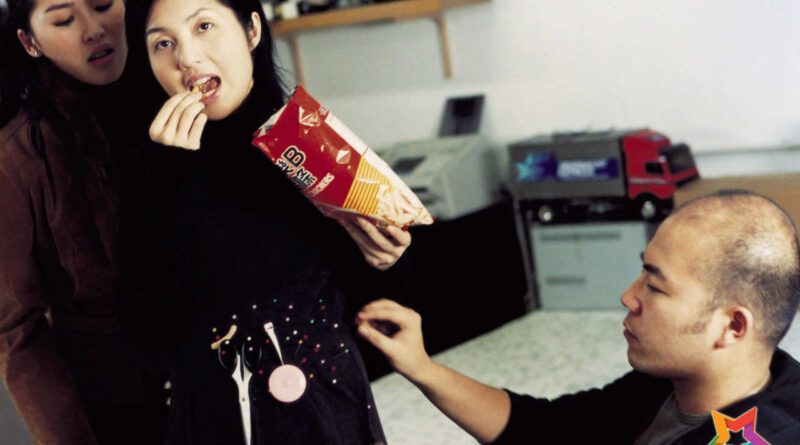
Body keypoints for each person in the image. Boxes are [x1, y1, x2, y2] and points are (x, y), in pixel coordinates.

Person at [124, 0, 411, 443]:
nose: (186, 57)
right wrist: (170, 180)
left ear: (252, 31)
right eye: (163, 43)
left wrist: (384, 259)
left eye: (204, 26)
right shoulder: (148, 169)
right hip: (216, 421)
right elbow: (153, 331)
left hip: (328, 411)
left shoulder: (309, 146)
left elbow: (369, 309)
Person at [356, 190, 800, 444]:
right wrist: (421, 367)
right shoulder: (673, 381)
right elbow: (549, 431)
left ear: (732, 327)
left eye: (656, 286)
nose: (628, 296)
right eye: (642, 273)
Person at [0, 0, 164, 444]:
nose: (93, 29)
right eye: (63, 20)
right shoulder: (19, 155)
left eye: (103, 4)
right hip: (117, 405)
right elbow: (16, 330)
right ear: (29, 43)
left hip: (220, 371)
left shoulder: (177, 89)